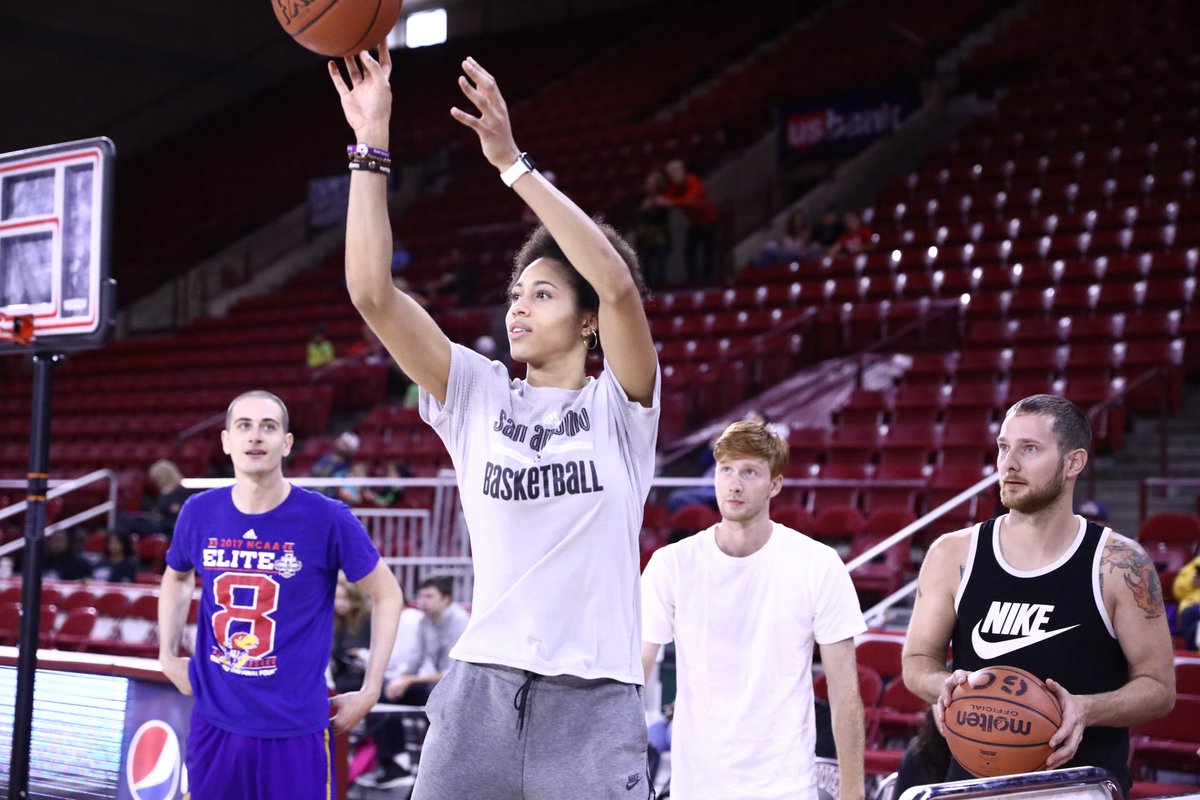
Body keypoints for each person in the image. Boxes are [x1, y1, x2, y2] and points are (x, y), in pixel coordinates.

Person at [330, 47, 659, 800]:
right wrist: (370, 143)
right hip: (479, 688)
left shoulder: (622, 408)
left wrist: (512, 165)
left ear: (586, 325)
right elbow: (371, 293)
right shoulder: (478, 393)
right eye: (516, 292)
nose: (517, 305)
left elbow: (614, 282)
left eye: (542, 294)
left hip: (593, 702)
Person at [901, 394, 1176, 798]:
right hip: (973, 785)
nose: (1009, 463)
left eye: (1029, 449)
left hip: (1078, 787)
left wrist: (1085, 708)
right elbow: (917, 661)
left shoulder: (1118, 564)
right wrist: (944, 685)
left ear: (1073, 463)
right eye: (1004, 447)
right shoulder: (952, 554)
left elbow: (1159, 689)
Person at [158, 390, 402, 799]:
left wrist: (371, 688)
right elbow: (177, 577)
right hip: (215, 723)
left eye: (268, 427)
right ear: (226, 441)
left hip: (294, 731)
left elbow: (388, 594)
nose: (256, 437)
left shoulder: (327, 518)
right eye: (244, 427)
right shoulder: (198, 512)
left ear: (286, 443)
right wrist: (167, 654)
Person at [641, 420, 867, 800]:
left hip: (785, 784)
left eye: (750, 472)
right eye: (725, 469)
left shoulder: (818, 564)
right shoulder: (672, 564)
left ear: (774, 484)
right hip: (696, 784)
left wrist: (853, 793)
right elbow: (637, 675)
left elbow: (845, 691)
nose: (734, 483)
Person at [360, 575, 470, 789]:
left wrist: (410, 679)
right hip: (435, 682)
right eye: (420, 595)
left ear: (446, 599)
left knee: (436, 695)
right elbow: (415, 660)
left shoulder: (459, 621)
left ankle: (440, 767)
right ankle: (394, 764)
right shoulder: (423, 621)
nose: (422, 601)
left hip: (458, 686)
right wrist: (401, 680)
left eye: (429, 596)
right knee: (382, 692)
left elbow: (455, 671)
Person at [660, 158, 719, 284]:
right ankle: (693, 280)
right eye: (670, 174)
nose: (672, 176)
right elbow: (665, 198)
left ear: (682, 170)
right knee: (689, 252)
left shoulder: (692, 180)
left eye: (674, 172)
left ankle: (707, 280)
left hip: (708, 221)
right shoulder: (675, 187)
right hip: (695, 223)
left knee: (708, 252)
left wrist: (671, 203)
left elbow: (690, 200)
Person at [331, 573, 372, 693]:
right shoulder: (332, 620)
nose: (339, 603)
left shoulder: (367, 619)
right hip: (339, 674)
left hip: (363, 675)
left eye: (344, 598)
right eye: (336, 598)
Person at [636, 168, 672, 287]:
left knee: (660, 265)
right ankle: (649, 290)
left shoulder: (664, 199)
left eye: (651, 182)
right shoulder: (643, 200)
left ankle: (661, 289)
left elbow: (664, 216)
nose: (648, 184)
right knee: (647, 265)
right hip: (647, 237)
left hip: (660, 236)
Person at [310, 431, 360, 498]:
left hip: (328, 495)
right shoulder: (325, 458)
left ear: (350, 449)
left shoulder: (345, 466)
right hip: (313, 487)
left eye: (345, 443)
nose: (341, 444)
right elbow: (313, 471)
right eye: (341, 440)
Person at [1175, 554, 1200, 651]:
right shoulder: (1192, 567)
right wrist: (1191, 583)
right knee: (1191, 615)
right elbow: (1178, 592)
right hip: (1190, 607)